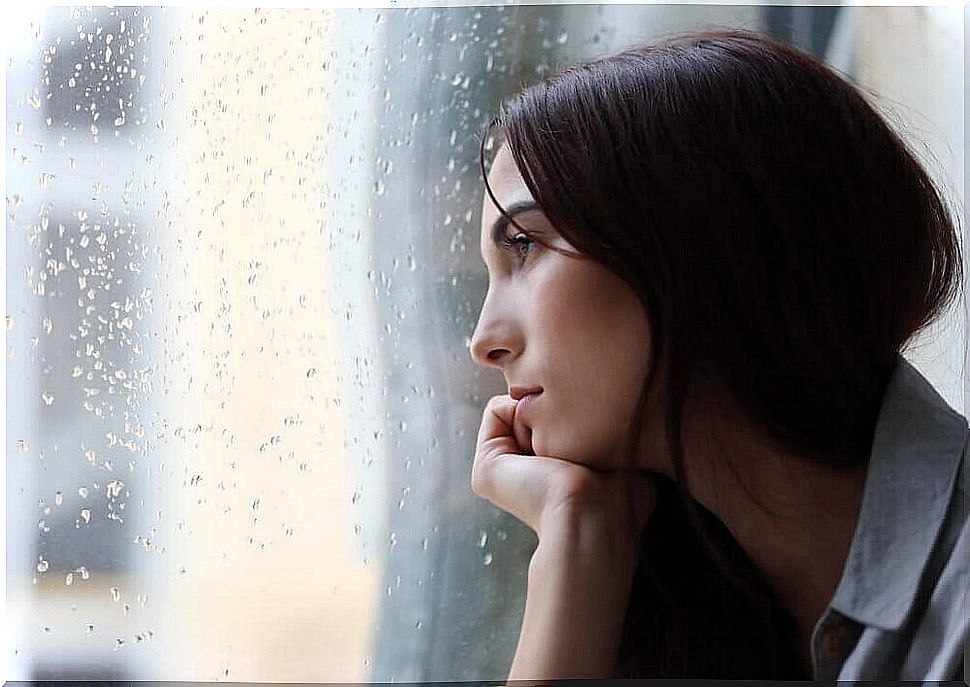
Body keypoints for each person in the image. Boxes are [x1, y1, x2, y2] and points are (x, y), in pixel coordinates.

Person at [467, 28, 967, 680]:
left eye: (525, 247)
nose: (483, 340)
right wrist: (578, 536)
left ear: (700, 239)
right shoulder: (674, 602)